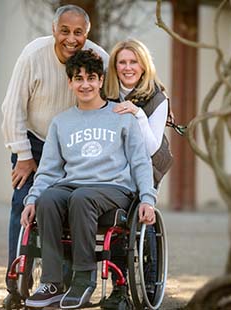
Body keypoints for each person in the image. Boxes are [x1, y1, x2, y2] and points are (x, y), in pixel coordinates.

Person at [20, 49, 157, 309]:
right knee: (49, 199)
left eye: (91, 78)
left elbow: (140, 161)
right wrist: (33, 199)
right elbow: (48, 170)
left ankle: (83, 280)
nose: (85, 84)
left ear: (101, 80)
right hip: (73, 186)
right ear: (70, 82)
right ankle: (52, 282)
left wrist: (148, 199)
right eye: (78, 79)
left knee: (81, 198)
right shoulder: (61, 122)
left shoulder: (121, 116)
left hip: (113, 188)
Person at [0, 5, 108, 308]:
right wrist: (23, 154)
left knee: (67, 209)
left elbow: (119, 100)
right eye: (65, 31)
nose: (71, 39)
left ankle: (64, 284)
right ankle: (16, 284)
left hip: (75, 144)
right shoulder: (33, 55)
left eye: (78, 33)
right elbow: (12, 109)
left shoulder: (100, 58)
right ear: (54, 30)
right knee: (23, 203)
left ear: (86, 35)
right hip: (34, 141)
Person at [101, 38, 170, 308]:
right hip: (114, 164)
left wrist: (137, 113)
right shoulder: (106, 92)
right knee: (117, 221)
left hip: (148, 162)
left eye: (133, 62)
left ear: (143, 65)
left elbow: (152, 146)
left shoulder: (157, 97)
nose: (128, 67)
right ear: (115, 66)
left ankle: (150, 280)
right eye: (122, 62)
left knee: (140, 214)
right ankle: (117, 285)